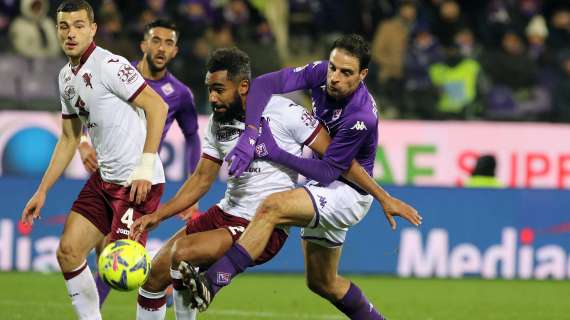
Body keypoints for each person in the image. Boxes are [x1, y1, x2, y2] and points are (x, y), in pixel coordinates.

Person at [129, 46, 417, 320]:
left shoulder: (286, 112)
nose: (213, 98)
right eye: (209, 89)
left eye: (218, 90)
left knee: (185, 254)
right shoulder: (220, 121)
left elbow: (335, 164)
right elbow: (202, 178)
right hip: (224, 211)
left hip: (256, 223)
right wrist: (158, 214)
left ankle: (214, 283)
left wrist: (382, 196)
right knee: (155, 273)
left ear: (242, 87)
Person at [20, 1, 168, 319]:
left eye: (78, 25)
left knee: (122, 271)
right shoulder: (65, 77)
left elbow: (158, 107)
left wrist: (144, 166)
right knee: (68, 252)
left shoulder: (110, 65)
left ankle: (172, 274)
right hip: (105, 181)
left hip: (138, 183)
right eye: (64, 26)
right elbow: (70, 138)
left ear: (93, 29)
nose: (70, 33)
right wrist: (42, 190)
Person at [77, 19, 201, 307]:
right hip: (108, 171)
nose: (161, 47)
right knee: (101, 248)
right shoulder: (118, 73)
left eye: (169, 43)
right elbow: (88, 107)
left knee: (116, 250)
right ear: (144, 44)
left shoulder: (180, 94)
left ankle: (97, 311)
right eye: (156, 40)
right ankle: (163, 289)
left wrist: (191, 186)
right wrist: (84, 142)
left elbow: (193, 137)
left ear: (175, 51)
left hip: (140, 179)